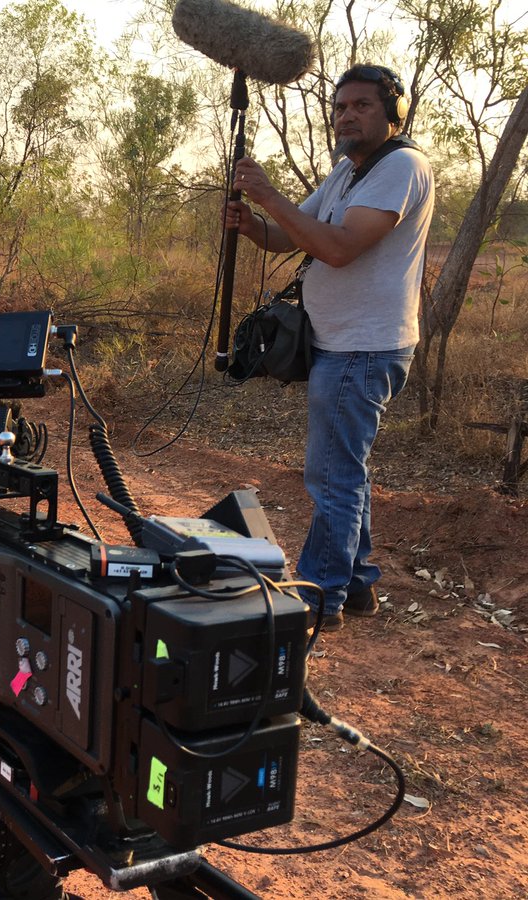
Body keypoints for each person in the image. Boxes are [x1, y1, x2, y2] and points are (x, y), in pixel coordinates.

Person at [225, 64, 434, 633]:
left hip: (364, 348)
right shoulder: (348, 172)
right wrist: (251, 224)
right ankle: (358, 584)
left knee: (332, 478)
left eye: (363, 106)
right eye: (341, 107)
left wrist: (267, 192)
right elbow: (295, 236)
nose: (348, 115)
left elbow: (338, 248)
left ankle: (319, 598)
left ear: (394, 113)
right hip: (340, 344)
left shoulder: (403, 167)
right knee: (347, 471)